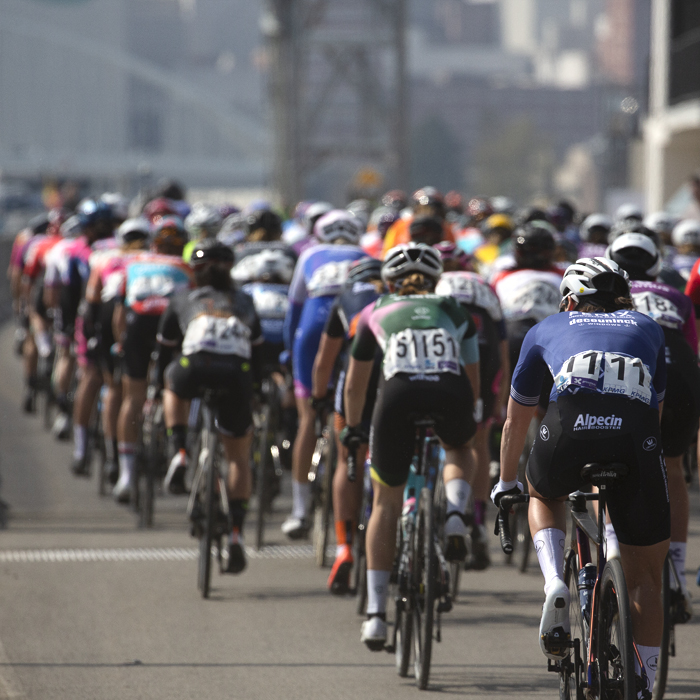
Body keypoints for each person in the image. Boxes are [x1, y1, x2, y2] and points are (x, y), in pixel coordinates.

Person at [492, 257, 669, 697]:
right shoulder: (648, 326)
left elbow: (515, 421)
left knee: (543, 493)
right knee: (647, 576)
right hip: (635, 439)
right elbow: (655, 410)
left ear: (570, 299)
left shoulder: (546, 327)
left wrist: (507, 482)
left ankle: (554, 581)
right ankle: (643, 681)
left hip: (569, 432)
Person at [341, 243, 480, 649]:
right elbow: (471, 381)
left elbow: (354, 384)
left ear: (390, 281)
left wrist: (352, 427)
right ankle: (455, 512)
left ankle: (376, 616)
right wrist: (464, 419)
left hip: (396, 398)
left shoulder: (373, 311)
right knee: (458, 448)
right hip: (448, 392)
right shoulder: (455, 310)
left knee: (385, 502)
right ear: (436, 280)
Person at [156, 239, 263, 573]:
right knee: (237, 458)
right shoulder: (244, 300)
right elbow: (258, 353)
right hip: (237, 374)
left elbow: (164, 352)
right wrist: (254, 390)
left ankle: (180, 452)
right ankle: (234, 535)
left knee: (172, 382)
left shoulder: (181, 298)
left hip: (194, 367)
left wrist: (154, 388)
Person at [608, 233, 699, 617]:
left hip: (628, 371)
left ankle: (612, 553)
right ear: (655, 264)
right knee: (672, 466)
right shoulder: (673, 295)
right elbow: (692, 349)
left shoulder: (606, 290)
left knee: (608, 459)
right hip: (680, 371)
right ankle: (676, 575)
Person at [281, 210, 366, 538]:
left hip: (315, 324)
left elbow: (295, 311)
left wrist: (289, 354)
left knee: (306, 419)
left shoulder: (310, 255)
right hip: (354, 322)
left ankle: (299, 510)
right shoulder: (367, 255)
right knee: (355, 414)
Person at [310, 256, 385, 594]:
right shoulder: (397, 294)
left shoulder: (346, 297)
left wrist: (317, 397)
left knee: (347, 459)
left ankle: (344, 548)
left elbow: (325, 359)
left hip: (355, 379)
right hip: (395, 377)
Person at [434, 241, 509, 569]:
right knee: (477, 440)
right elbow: (502, 342)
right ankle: (476, 520)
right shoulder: (483, 284)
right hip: (485, 355)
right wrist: (502, 388)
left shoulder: (431, 285)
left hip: (442, 356)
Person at [112, 215, 193, 501]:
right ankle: (177, 448)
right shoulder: (185, 267)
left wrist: (121, 342)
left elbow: (120, 313)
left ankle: (125, 476)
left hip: (138, 323)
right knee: (175, 387)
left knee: (132, 397)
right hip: (169, 324)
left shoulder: (133, 265)